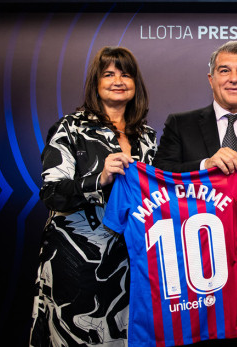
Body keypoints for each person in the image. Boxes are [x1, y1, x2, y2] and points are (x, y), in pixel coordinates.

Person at [152, 40, 237, 346]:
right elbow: (160, 176)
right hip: (199, 264)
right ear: (211, 78)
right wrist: (205, 164)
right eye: (224, 70)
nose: (234, 78)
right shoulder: (181, 124)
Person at [30, 46, 157, 346]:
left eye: (126, 74)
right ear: (95, 83)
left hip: (132, 263)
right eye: (109, 74)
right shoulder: (69, 128)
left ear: (136, 84)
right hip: (77, 264)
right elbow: (52, 194)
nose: (118, 80)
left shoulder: (148, 136)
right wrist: (98, 179)